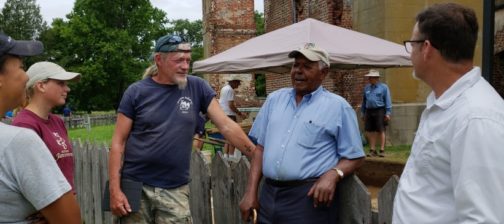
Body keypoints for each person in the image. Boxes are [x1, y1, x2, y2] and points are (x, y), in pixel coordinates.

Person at [109, 34, 256, 223]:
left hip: (174, 188)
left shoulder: (197, 87)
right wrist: (115, 189)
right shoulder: (136, 92)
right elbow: (118, 142)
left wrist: (255, 155)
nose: (186, 66)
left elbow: (226, 125)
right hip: (135, 186)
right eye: (179, 60)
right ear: (158, 60)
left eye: (188, 60)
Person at [393, 3, 504, 223]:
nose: (410, 53)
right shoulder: (444, 103)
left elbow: (483, 218)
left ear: (426, 48)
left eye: (411, 44)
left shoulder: (476, 117)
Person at [239, 43, 365, 223]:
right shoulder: (275, 100)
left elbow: (355, 156)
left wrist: (333, 173)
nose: (298, 71)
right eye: (296, 65)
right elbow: (260, 149)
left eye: (307, 66)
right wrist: (251, 192)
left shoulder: (338, 107)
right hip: (268, 196)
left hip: (308, 200)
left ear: (323, 73)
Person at [0, 33, 81, 223]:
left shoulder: (57, 122)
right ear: (41, 86)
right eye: (21, 67)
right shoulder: (20, 136)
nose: (25, 76)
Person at [12, 61, 81, 192]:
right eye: (61, 83)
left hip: (63, 205)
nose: (67, 89)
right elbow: (32, 182)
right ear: (41, 86)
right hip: (44, 211)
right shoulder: (25, 125)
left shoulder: (57, 121)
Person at [360, 69, 392, 157]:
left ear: (376, 78)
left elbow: (388, 101)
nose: (369, 79)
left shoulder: (384, 87)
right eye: (369, 77)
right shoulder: (367, 88)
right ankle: (372, 150)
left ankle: (382, 150)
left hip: (380, 110)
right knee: (370, 131)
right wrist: (363, 113)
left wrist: (388, 113)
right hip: (369, 111)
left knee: (381, 130)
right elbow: (364, 101)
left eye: (370, 77)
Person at [219, 78, 246, 159]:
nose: (239, 85)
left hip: (223, 114)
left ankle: (225, 156)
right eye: (238, 83)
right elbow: (231, 105)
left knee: (227, 137)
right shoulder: (230, 90)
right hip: (229, 115)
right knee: (233, 136)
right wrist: (240, 113)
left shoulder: (224, 88)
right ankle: (231, 156)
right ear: (233, 82)